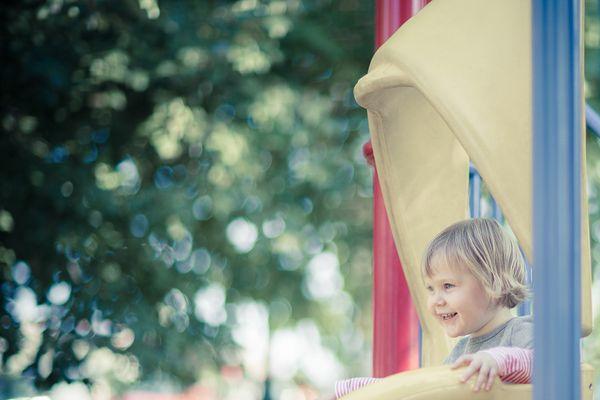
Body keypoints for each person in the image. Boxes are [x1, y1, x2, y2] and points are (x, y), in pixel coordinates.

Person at [335, 218, 533, 398]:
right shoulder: (460, 353)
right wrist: (362, 389)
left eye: (447, 286)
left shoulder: (519, 332)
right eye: (431, 289)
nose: (436, 301)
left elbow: (544, 365)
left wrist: (497, 360)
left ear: (493, 282)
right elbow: (425, 388)